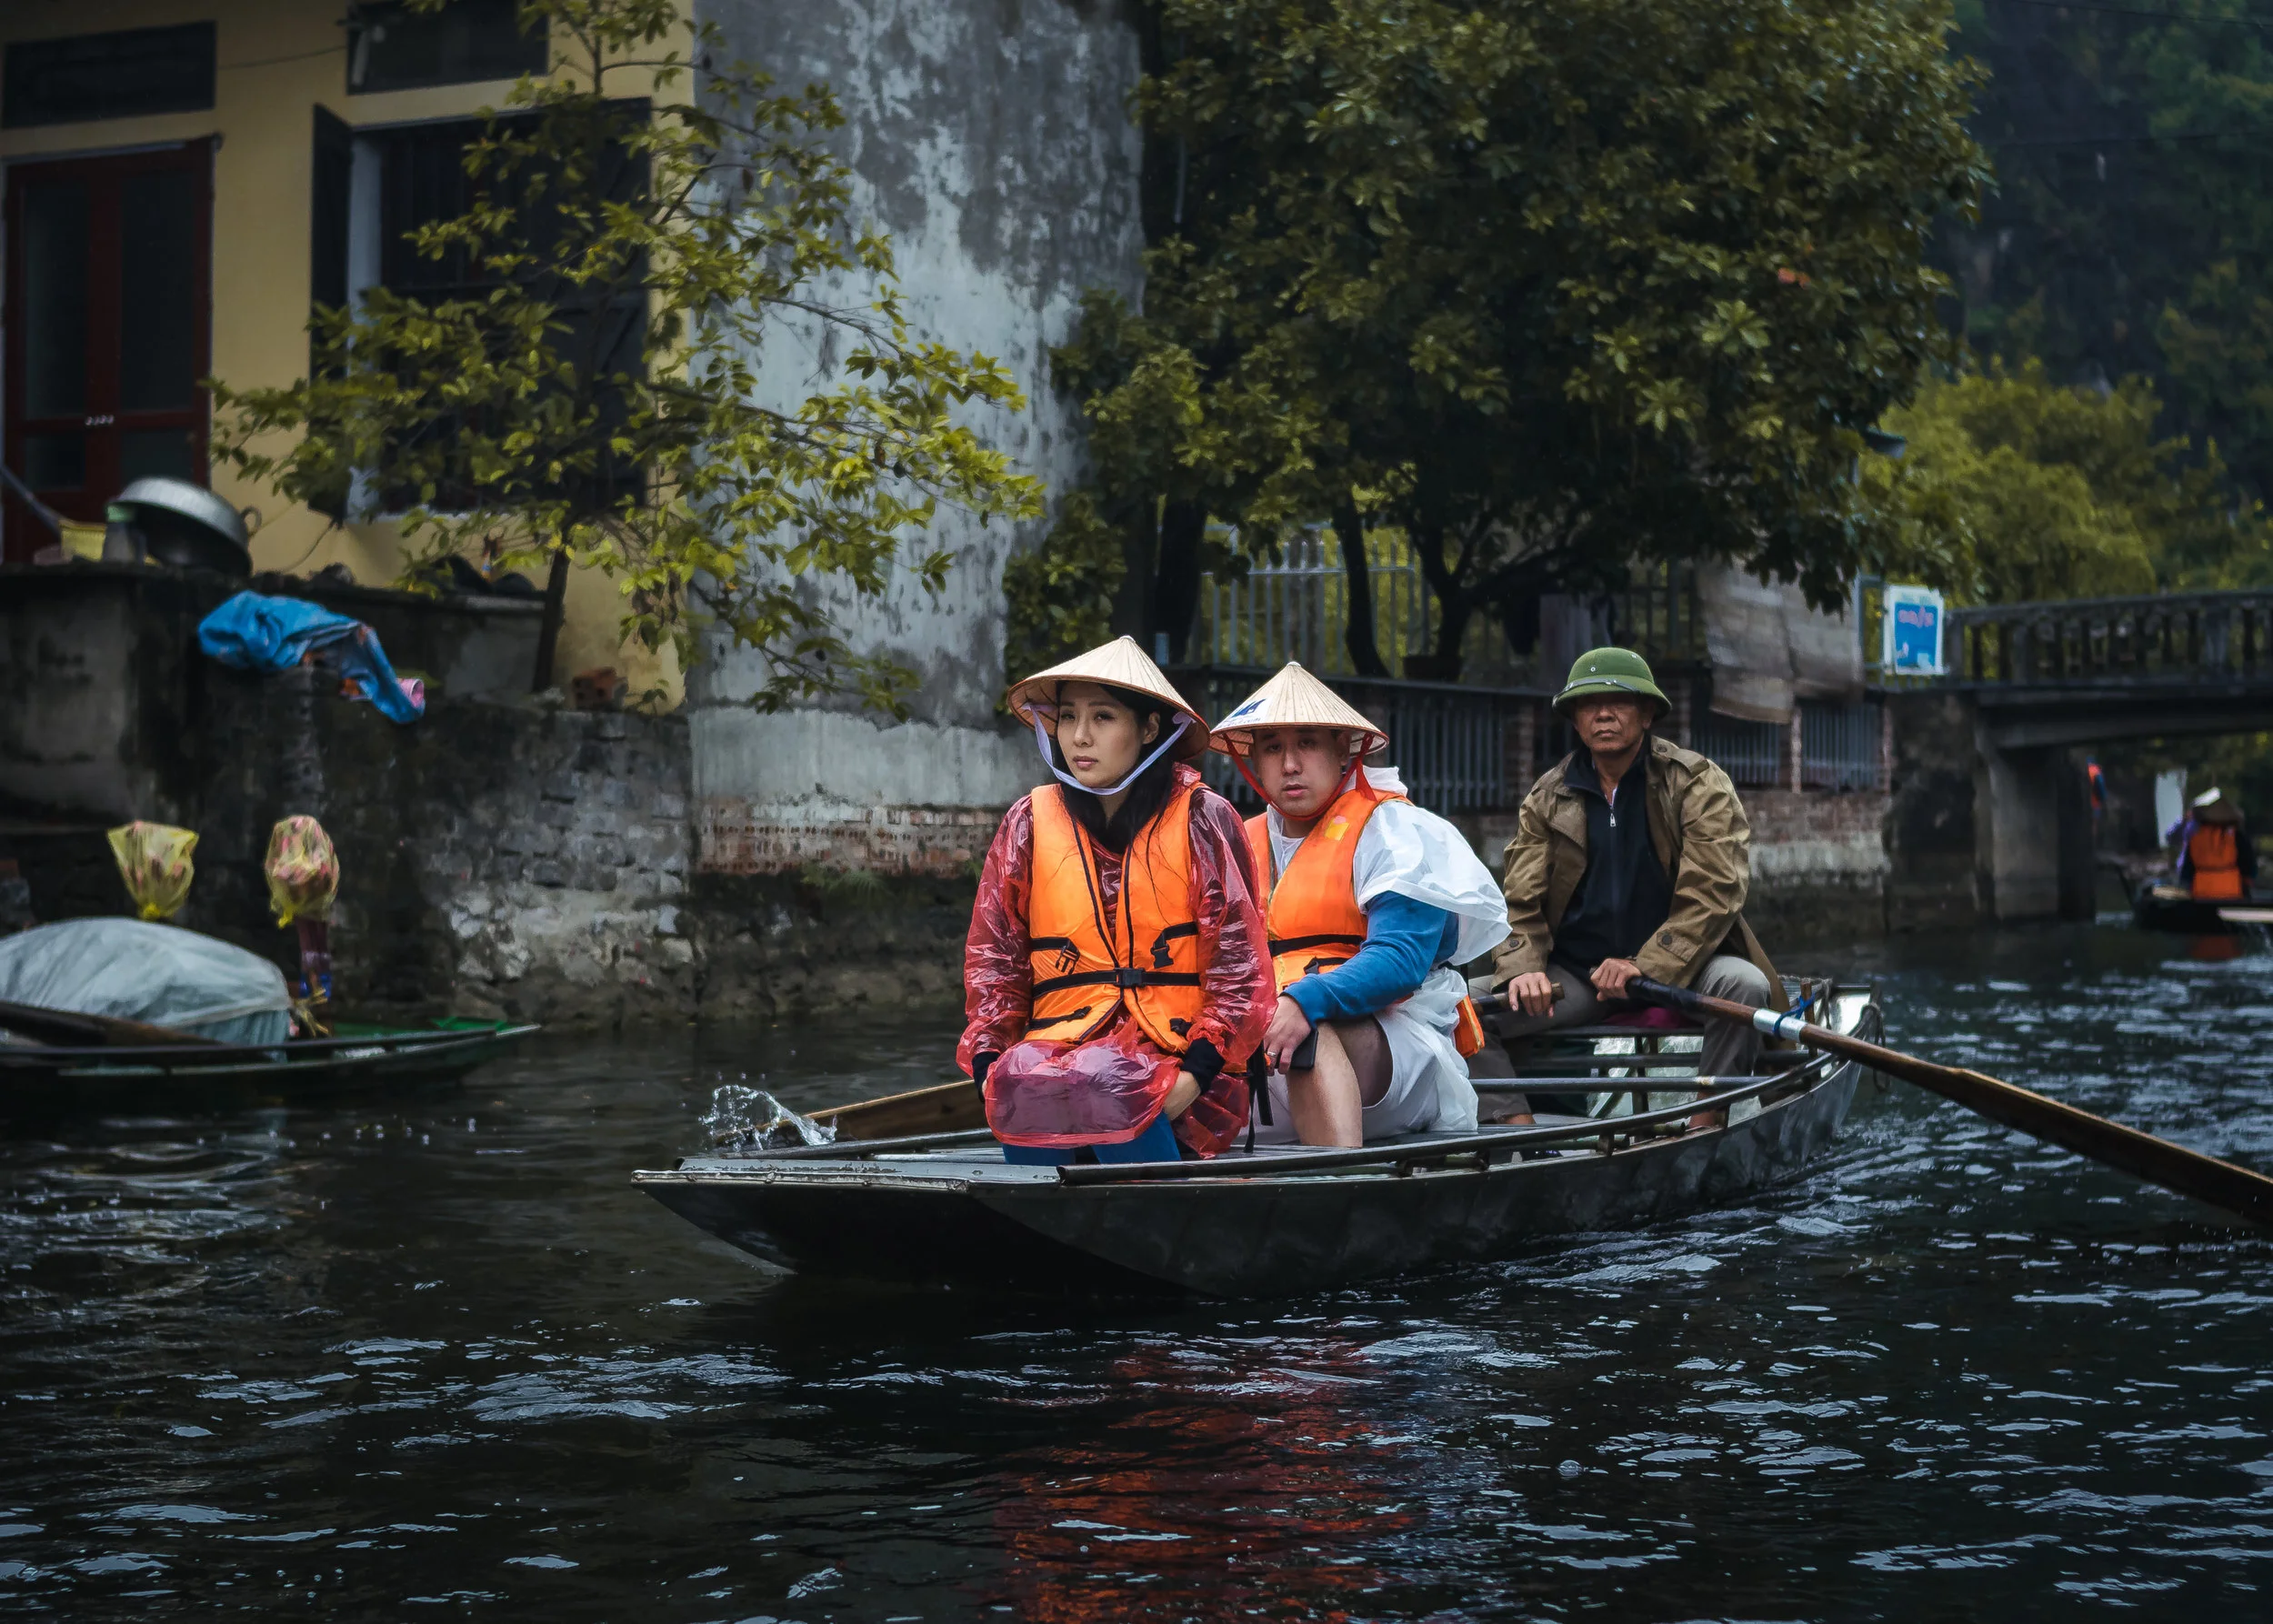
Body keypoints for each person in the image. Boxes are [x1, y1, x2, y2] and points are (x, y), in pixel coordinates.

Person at [958, 637, 1272, 1165]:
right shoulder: (1028, 823)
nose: (1079, 737)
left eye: (1103, 717)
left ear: (1148, 729)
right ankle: (1035, 1220)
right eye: (1067, 716)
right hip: (1058, 1059)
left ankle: (1147, 1206)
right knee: (1026, 1080)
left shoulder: (1202, 818)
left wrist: (1194, 1074)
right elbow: (995, 965)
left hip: (1185, 1070)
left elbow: (1239, 973)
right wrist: (991, 1065)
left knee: (1106, 1080)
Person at [1211, 663, 1509, 1147]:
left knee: (1308, 1031)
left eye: (1306, 743)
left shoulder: (1395, 831)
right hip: (1265, 1042)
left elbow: (1400, 962)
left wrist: (1304, 1000)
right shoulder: (1234, 844)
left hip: (1396, 1048)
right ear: (1254, 763)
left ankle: (1339, 1183)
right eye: (1272, 748)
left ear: (1342, 751)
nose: (1289, 764)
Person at [1494, 647, 1783, 1087]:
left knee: (1745, 986)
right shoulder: (1546, 797)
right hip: (1577, 975)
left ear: (1647, 715)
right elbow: (1520, 902)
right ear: (1575, 720)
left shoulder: (1696, 783)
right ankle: (1517, 1129)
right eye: (1590, 705)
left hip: (1683, 966)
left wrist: (1643, 965)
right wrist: (1523, 969)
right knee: (1457, 1012)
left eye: (1619, 703)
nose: (1604, 715)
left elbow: (1714, 891)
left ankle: (1708, 1118)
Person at [2172, 787, 2255, 902]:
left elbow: (2187, 870)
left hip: (2201, 894)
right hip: (2231, 892)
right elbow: (2248, 863)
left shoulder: (2196, 837)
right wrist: (2247, 883)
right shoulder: (2236, 836)